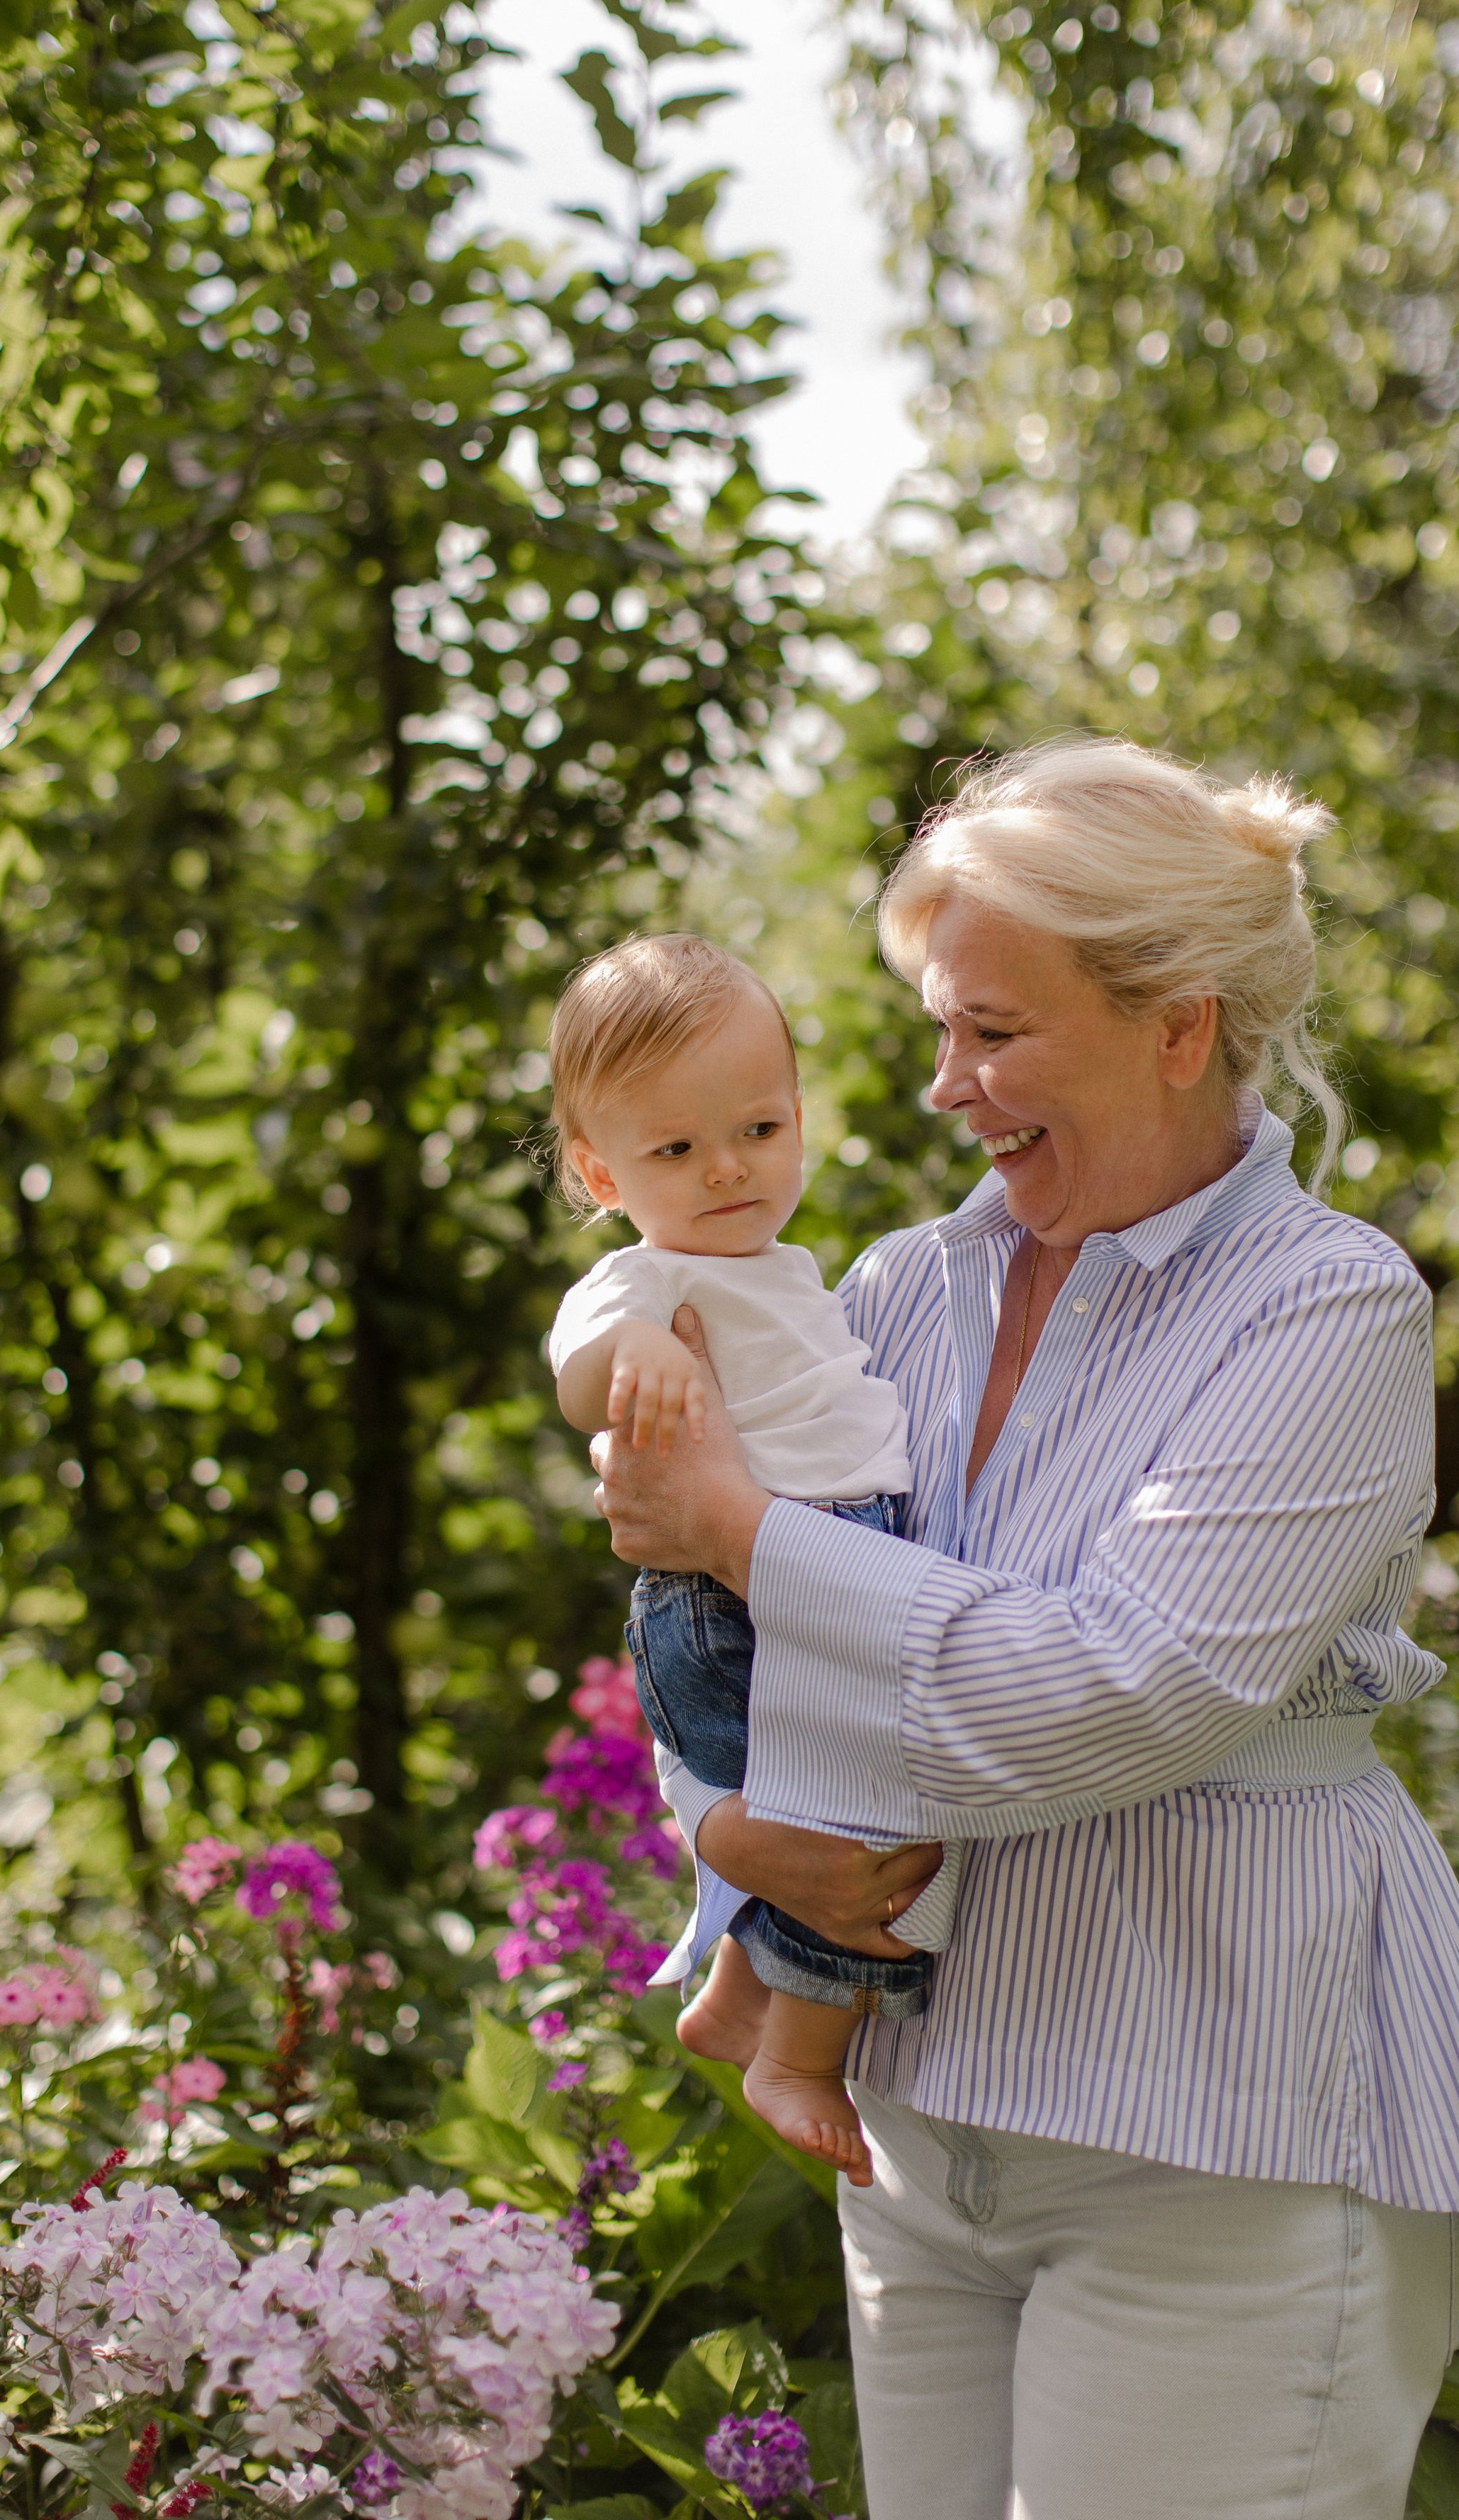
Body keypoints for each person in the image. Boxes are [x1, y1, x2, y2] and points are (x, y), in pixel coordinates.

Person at [590, 739, 1459, 2520]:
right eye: (940, 1029)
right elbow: (704, 1632)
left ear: (1175, 1023)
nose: (946, 1087)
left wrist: (744, 1523)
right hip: (925, 2119)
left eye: (994, 1033)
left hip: (1217, 2137)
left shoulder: (1328, 1312)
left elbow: (1105, 1697)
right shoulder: (896, 1291)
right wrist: (724, 1831)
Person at [546, 933, 964, 2185]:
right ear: (598, 1168)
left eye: (761, 1129)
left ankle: (738, 1989)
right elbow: (578, 1375)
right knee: (852, 1826)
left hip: (815, 1565)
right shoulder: (643, 1278)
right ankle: (799, 2055)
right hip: (735, 1602)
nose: (727, 1169)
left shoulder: (789, 1267)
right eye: (674, 1150)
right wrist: (639, 1361)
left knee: (827, 1807)